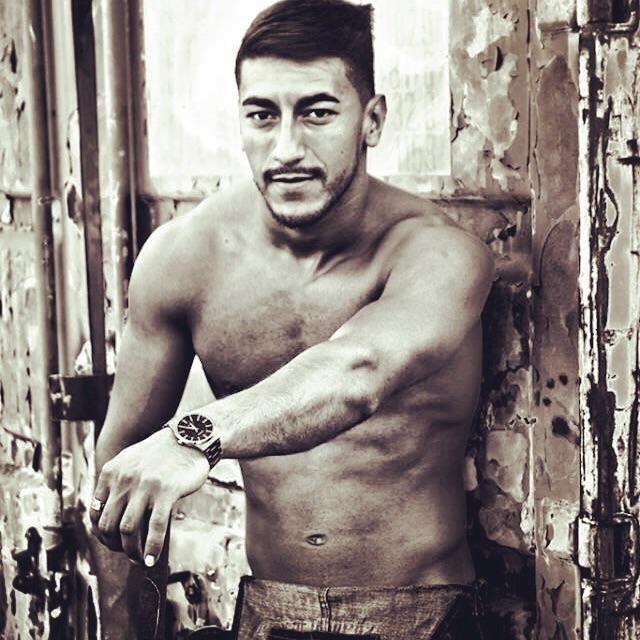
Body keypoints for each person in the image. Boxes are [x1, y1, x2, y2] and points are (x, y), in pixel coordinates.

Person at [91, 0, 494, 638]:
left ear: (372, 120)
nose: (286, 148)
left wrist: (192, 437)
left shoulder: (439, 253)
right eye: (262, 114)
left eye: (317, 113)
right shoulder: (184, 258)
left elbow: (356, 373)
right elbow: (120, 475)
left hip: (421, 613)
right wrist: (121, 630)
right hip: (267, 614)